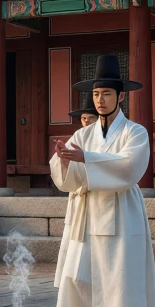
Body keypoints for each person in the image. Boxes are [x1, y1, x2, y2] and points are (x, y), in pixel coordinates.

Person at [51, 55, 155, 307]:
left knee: (121, 277)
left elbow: (129, 167)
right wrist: (63, 160)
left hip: (120, 209)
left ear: (121, 96)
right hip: (86, 212)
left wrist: (86, 159)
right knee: (82, 276)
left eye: (107, 94)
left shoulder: (135, 132)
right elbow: (68, 177)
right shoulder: (83, 134)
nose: (100, 100)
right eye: (96, 94)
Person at [51, 93, 99, 289]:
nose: (86, 122)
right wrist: (63, 159)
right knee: (74, 245)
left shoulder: (108, 137)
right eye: (83, 118)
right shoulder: (78, 136)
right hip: (79, 198)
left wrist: (86, 158)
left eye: (91, 118)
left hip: (98, 198)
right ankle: (73, 284)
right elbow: (62, 163)